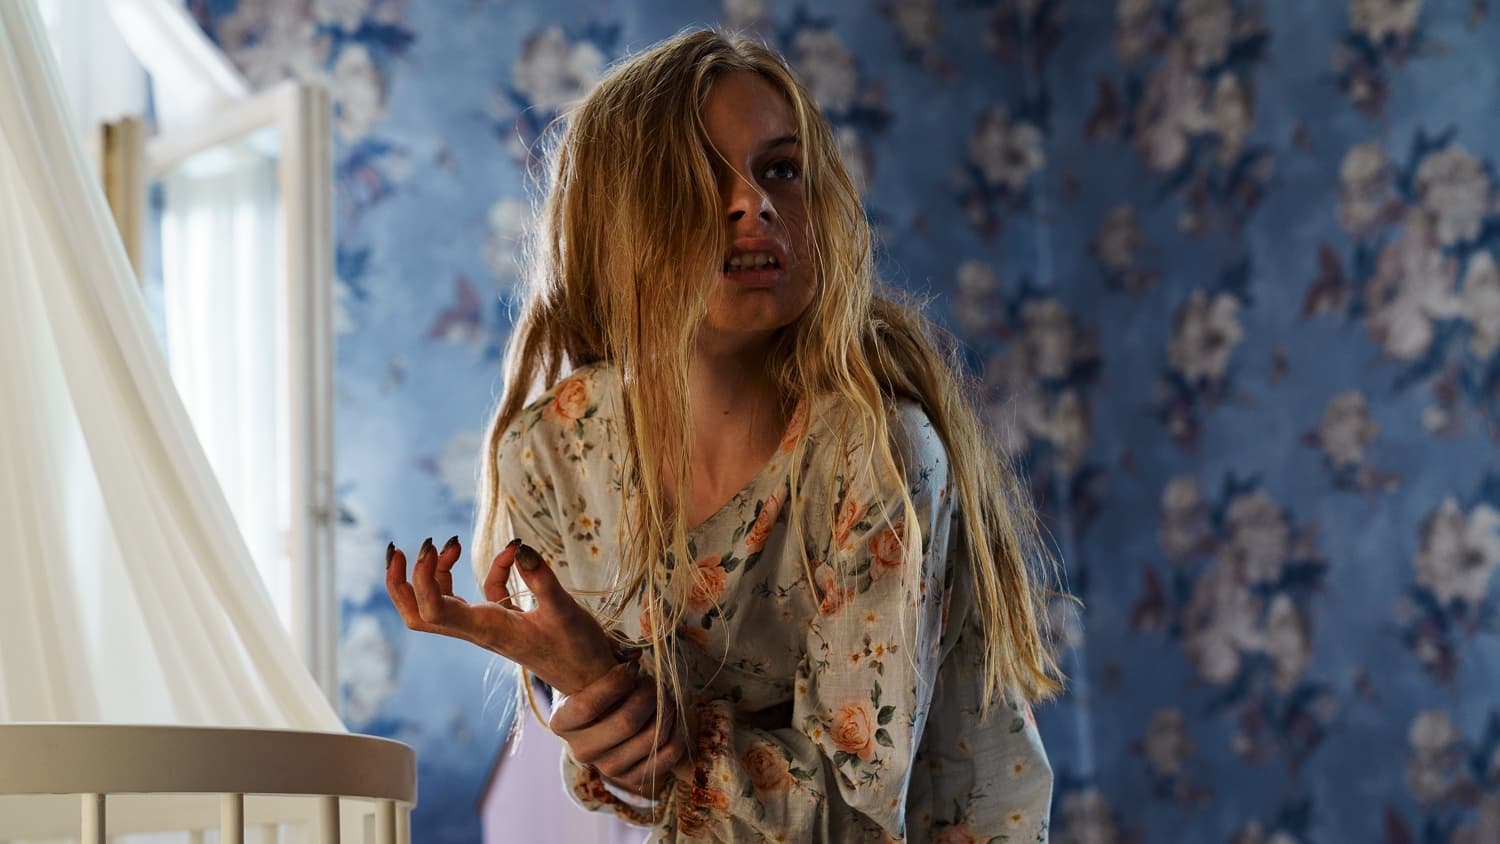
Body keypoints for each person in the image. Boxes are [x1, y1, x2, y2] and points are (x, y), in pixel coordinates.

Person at [385, 27, 1065, 843]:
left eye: (780, 169)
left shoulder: (875, 454)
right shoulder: (551, 459)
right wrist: (600, 711)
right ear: (615, 227)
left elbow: (856, 816)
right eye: (702, 177)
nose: (754, 202)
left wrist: (650, 733)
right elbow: (626, 776)